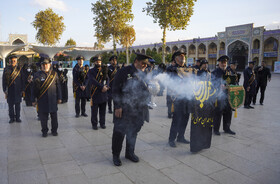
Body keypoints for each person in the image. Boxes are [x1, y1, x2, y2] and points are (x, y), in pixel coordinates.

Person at [111, 53, 151, 166]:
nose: (144, 66)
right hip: (124, 108)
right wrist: (118, 106)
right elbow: (115, 90)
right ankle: (116, 155)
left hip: (139, 108)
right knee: (119, 132)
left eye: (146, 64)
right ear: (136, 61)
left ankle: (130, 152)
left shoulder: (145, 73)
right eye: (143, 63)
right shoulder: (123, 71)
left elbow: (147, 88)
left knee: (133, 132)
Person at [168, 50, 197, 147]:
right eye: (180, 56)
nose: (183, 58)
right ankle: (171, 139)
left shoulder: (187, 69)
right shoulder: (172, 69)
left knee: (185, 118)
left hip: (187, 97)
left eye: (184, 56)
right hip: (178, 97)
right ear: (176, 58)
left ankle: (181, 136)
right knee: (177, 119)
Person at [32, 57, 62, 137]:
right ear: (41, 65)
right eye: (43, 64)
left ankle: (54, 130)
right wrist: (33, 100)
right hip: (42, 100)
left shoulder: (54, 74)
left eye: (46, 64)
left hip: (53, 99)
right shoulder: (37, 75)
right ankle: (44, 131)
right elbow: (33, 88)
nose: (45, 66)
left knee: (54, 117)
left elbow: (58, 86)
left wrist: (59, 97)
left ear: (49, 65)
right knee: (43, 118)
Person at [190, 59, 216, 152]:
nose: (205, 65)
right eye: (204, 64)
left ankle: (204, 144)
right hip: (197, 103)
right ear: (200, 65)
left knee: (206, 124)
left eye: (206, 64)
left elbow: (213, 87)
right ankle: (196, 146)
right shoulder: (196, 74)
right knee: (197, 124)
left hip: (207, 103)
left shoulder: (210, 74)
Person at [212, 55, 236, 135]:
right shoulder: (215, 72)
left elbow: (233, 82)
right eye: (222, 62)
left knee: (228, 113)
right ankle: (216, 129)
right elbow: (211, 84)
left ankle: (227, 128)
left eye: (225, 62)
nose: (223, 64)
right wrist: (219, 86)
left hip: (228, 96)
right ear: (219, 63)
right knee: (218, 113)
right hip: (218, 96)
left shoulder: (229, 72)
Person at [88, 56, 109, 130]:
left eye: (99, 61)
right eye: (97, 61)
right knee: (94, 111)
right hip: (95, 93)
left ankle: (102, 123)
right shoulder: (91, 71)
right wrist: (102, 87)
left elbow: (107, 78)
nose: (98, 63)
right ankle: (94, 124)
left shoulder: (103, 70)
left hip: (103, 93)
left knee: (103, 111)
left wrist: (107, 86)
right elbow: (93, 81)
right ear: (94, 62)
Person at [2, 55, 24, 123]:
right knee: (10, 105)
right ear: (9, 61)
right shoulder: (6, 69)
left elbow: (22, 79)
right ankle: (11, 118)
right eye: (11, 61)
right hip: (10, 90)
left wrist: (23, 89)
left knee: (17, 105)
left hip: (18, 90)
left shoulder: (19, 69)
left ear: (16, 61)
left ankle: (18, 117)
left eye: (14, 61)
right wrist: (4, 89)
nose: (13, 62)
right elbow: (4, 80)